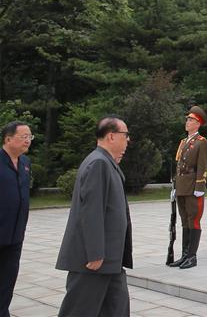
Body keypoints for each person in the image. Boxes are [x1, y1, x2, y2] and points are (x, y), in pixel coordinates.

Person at [56, 116, 133, 317]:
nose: (128, 140)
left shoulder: (107, 162)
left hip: (111, 259)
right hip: (95, 261)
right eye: (125, 135)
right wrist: (95, 253)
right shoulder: (98, 163)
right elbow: (91, 211)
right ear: (111, 136)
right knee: (80, 310)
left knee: (116, 308)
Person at [169, 105, 207, 269]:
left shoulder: (202, 142)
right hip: (182, 186)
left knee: (193, 220)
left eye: (191, 119)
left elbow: (202, 166)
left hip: (193, 186)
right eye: (187, 119)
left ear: (198, 123)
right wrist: (175, 186)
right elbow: (179, 166)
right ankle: (184, 255)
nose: (187, 122)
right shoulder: (183, 142)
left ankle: (192, 256)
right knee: (184, 220)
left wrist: (200, 186)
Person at [1, 122, 32, 317]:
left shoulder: (25, 163)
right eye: (24, 136)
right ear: (8, 139)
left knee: (8, 279)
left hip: (15, 234)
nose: (28, 140)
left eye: (30, 137)